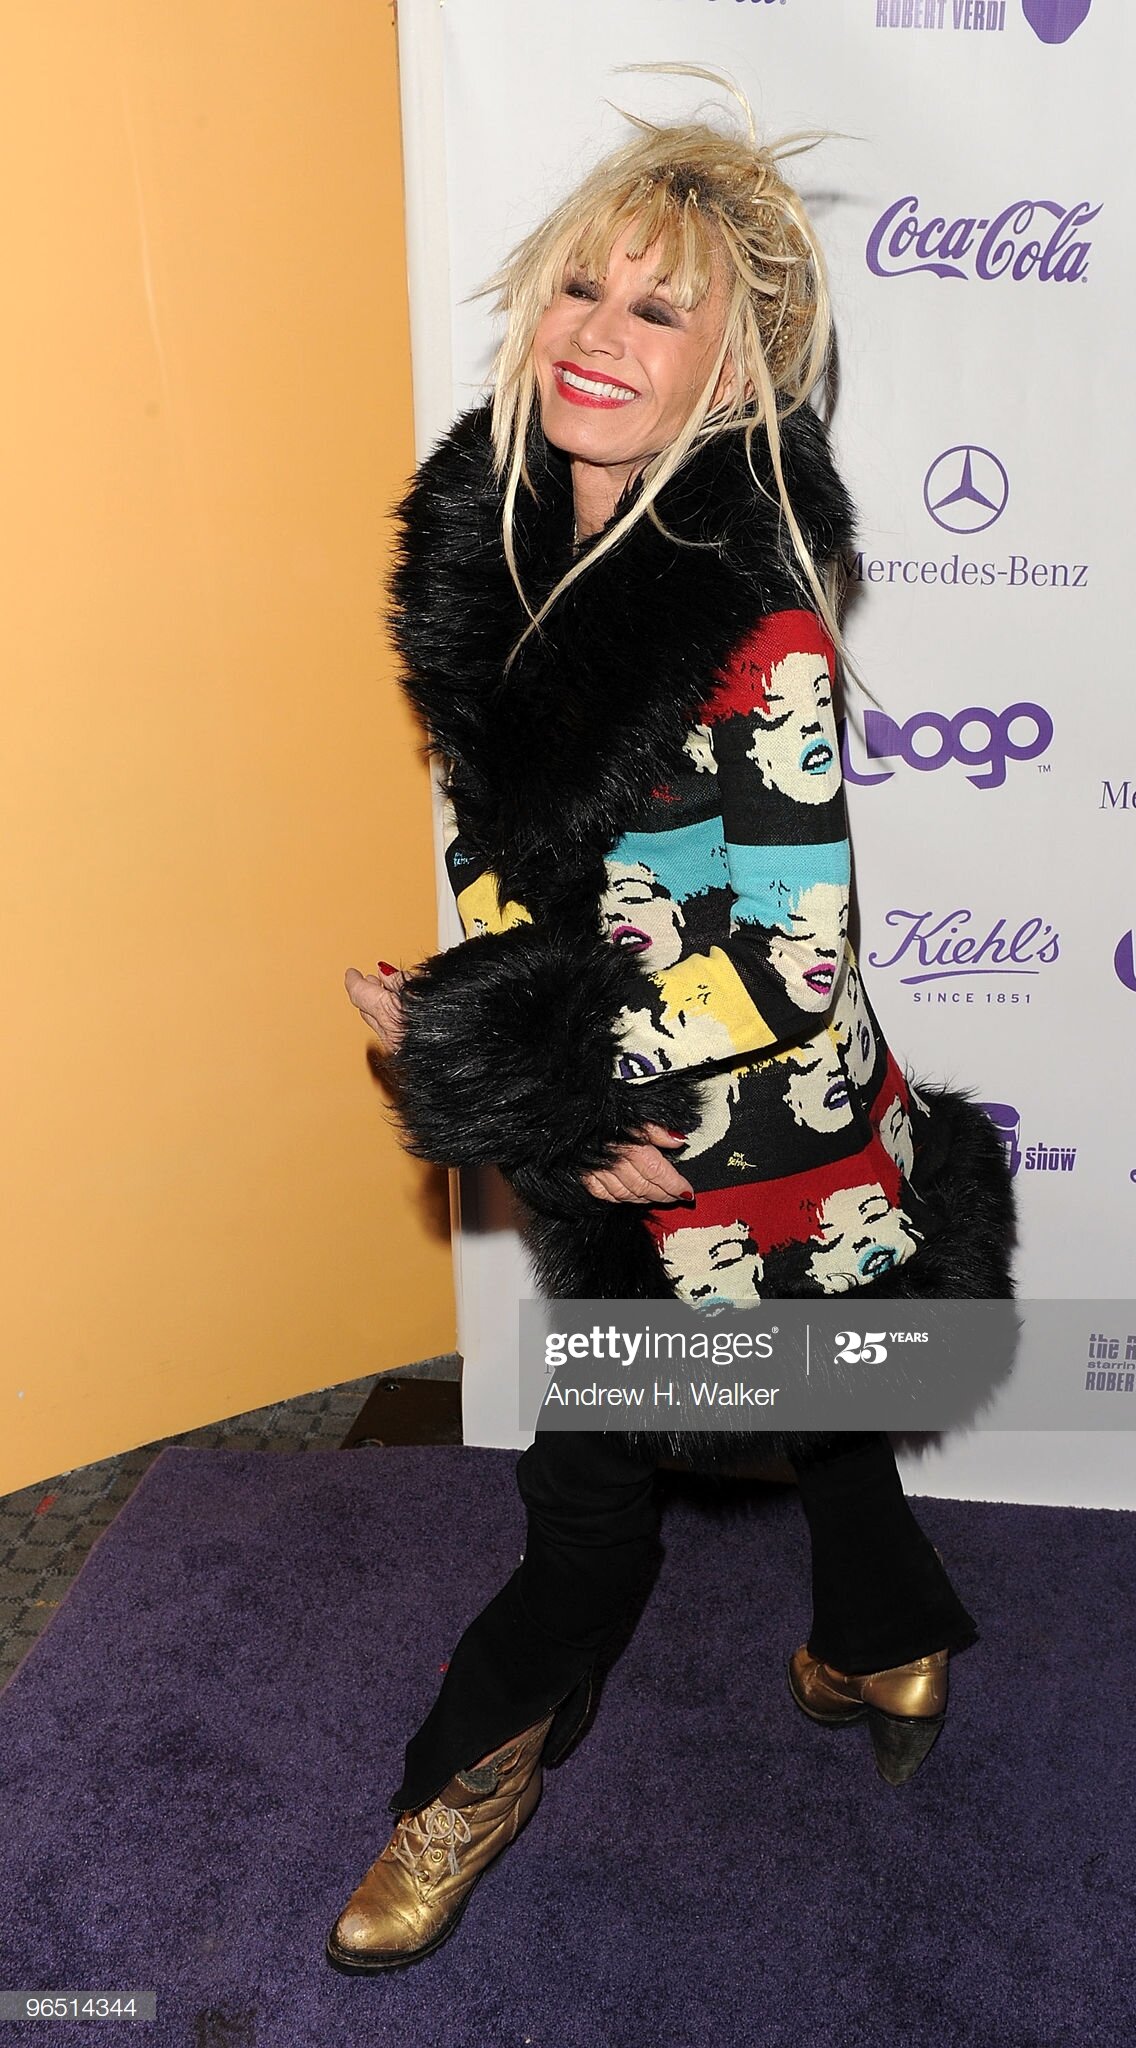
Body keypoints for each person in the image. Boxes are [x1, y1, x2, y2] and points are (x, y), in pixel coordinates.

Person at [330, 69, 1015, 1975]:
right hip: (652, 1110)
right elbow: (519, 864)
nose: (602, 339)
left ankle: (457, 1782)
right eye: (582, 291)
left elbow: (788, 948)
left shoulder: (747, 615)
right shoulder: (509, 555)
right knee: (826, 1383)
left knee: (587, 1506)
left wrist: (549, 1091)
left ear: (737, 372)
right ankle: (888, 1644)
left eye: (660, 309)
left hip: (728, 1136)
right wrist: (463, 1009)